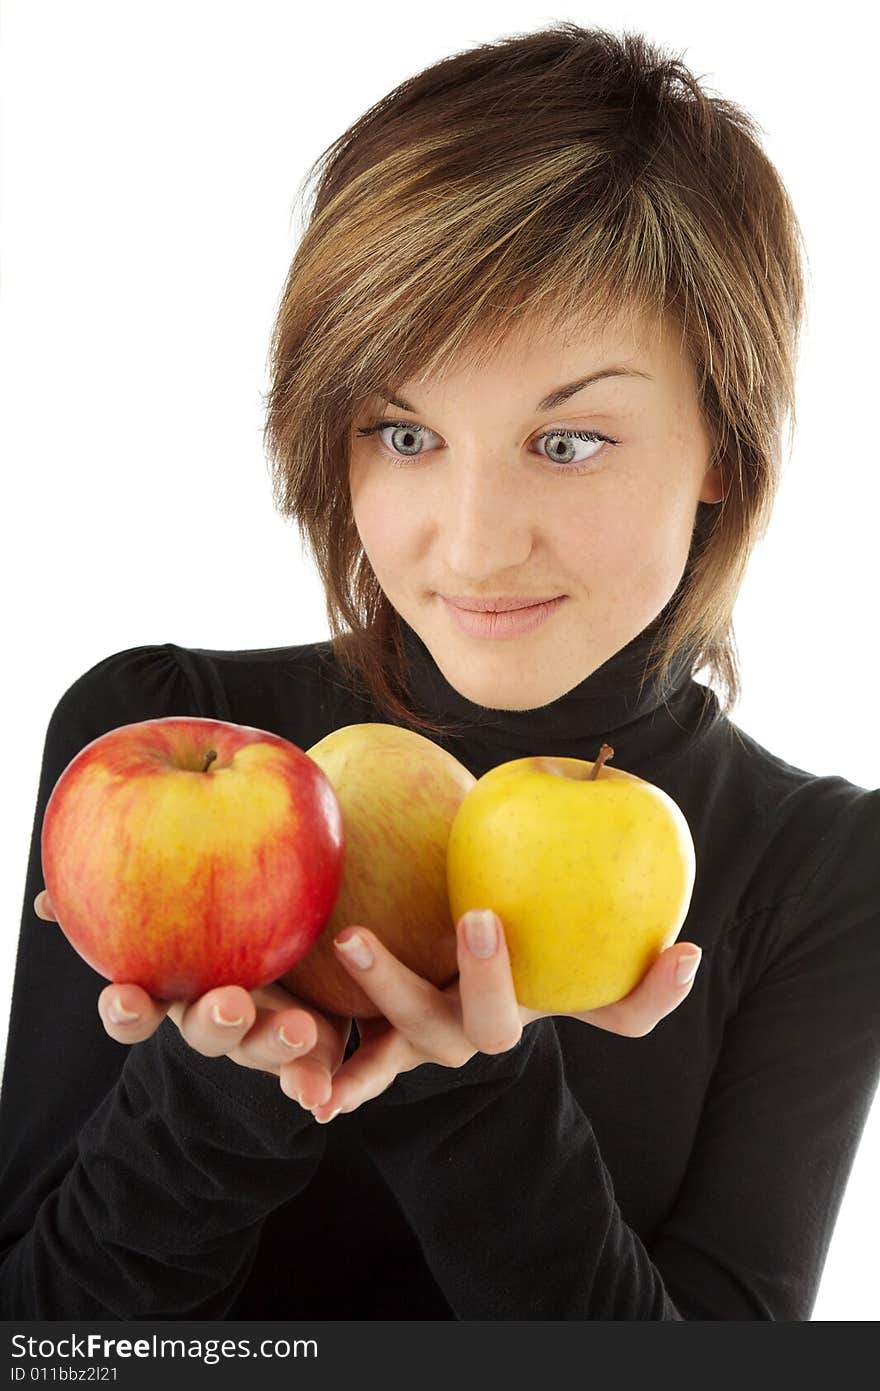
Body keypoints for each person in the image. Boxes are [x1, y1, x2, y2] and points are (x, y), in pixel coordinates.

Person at [1, 21, 878, 1322]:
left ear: (722, 455)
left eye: (568, 442)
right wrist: (234, 1072)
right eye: (405, 432)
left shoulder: (820, 870)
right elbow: (41, 1345)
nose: (472, 541)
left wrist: (469, 1081)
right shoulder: (166, 740)